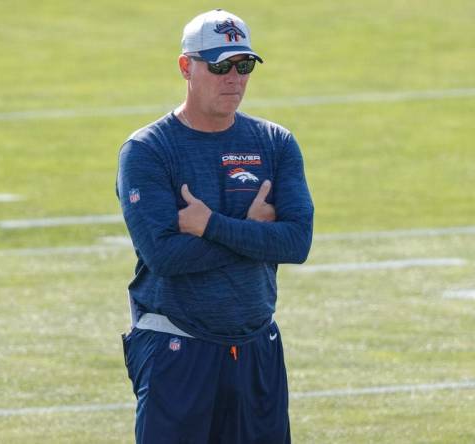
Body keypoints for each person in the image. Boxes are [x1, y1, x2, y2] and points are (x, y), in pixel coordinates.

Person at [116, 9, 314, 444]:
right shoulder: (147, 151)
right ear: (187, 67)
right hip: (176, 348)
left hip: (257, 344)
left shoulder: (275, 143)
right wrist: (257, 234)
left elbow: (297, 242)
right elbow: (164, 256)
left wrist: (211, 226)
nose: (234, 78)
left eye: (243, 66)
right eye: (220, 66)